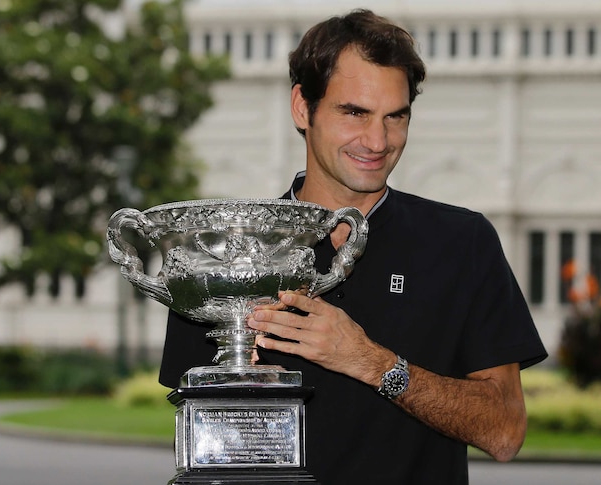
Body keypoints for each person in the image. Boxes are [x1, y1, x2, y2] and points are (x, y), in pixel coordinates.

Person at [159, 9, 547, 484]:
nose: (377, 140)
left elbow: (505, 431)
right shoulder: (227, 250)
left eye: (395, 117)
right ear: (304, 107)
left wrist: (371, 362)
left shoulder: (462, 242)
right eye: (355, 113)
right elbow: (202, 445)